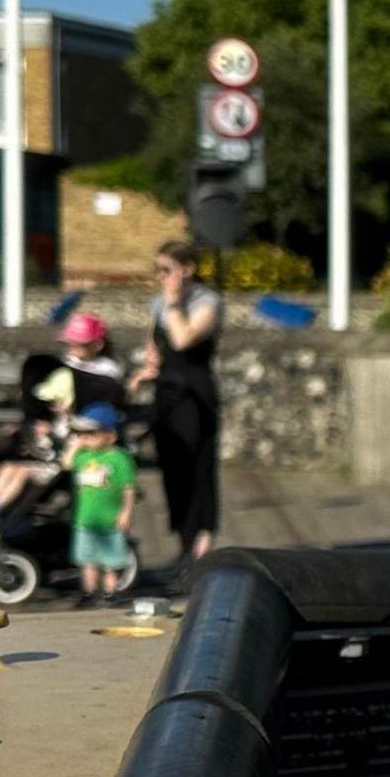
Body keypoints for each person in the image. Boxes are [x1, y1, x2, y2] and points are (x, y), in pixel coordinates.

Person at [0, 311, 126, 521]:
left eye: (79, 344)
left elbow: (101, 413)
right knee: (9, 467)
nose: (73, 349)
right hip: (50, 440)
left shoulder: (107, 374)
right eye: (70, 344)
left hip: (71, 446)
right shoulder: (63, 366)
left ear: (97, 345)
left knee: (22, 473)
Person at [131, 241, 225, 562]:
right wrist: (145, 371)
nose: (161, 277)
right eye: (158, 270)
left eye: (167, 270)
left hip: (195, 393)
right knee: (173, 468)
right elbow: (155, 347)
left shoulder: (207, 302)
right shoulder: (157, 303)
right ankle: (183, 539)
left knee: (198, 466)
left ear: (188, 270)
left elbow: (183, 339)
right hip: (167, 393)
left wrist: (173, 303)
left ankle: (201, 540)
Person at [63, 401, 139, 603]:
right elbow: (67, 464)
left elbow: (128, 488)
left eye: (91, 434)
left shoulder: (118, 458)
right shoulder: (83, 456)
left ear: (110, 435)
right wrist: (75, 445)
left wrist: (126, 512)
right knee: (87, 560)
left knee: (110, 561)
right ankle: (88, 592)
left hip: (110, 520)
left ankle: (111, 592)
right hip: (86, 519)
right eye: (82, 434)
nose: (85, 438)